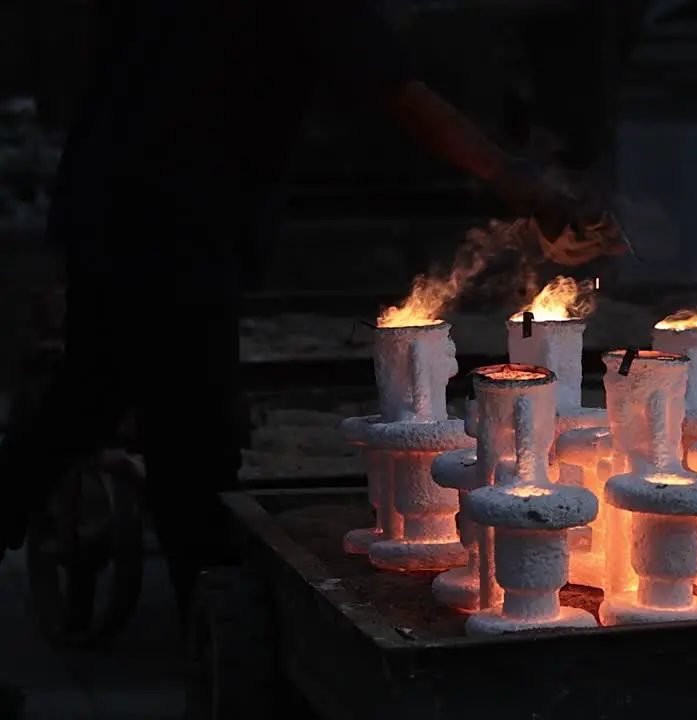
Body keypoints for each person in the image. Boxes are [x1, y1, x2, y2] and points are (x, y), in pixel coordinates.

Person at [0, 0, 625, 622]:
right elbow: (397, 89)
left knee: (103, 403)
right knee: (186, 437)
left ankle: (206, 601)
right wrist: (514, 177)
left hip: (129, 213)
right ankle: (217, 620)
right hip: (166, 225)